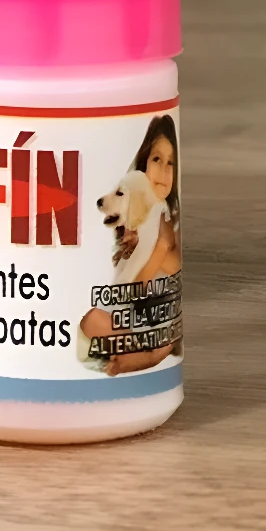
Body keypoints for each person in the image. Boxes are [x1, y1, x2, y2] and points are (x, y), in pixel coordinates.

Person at [79, 115, 181, 376]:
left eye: (171, 163)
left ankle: (148, 357)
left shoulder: (166, 217)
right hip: (136, 317)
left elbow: (147, 281)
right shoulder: (141, 218)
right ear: (144, 162)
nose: (163, 171)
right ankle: (139, 353)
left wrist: (160, 248)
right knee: (92, 320)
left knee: (97, 321)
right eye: (156, 159)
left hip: (157, 316)